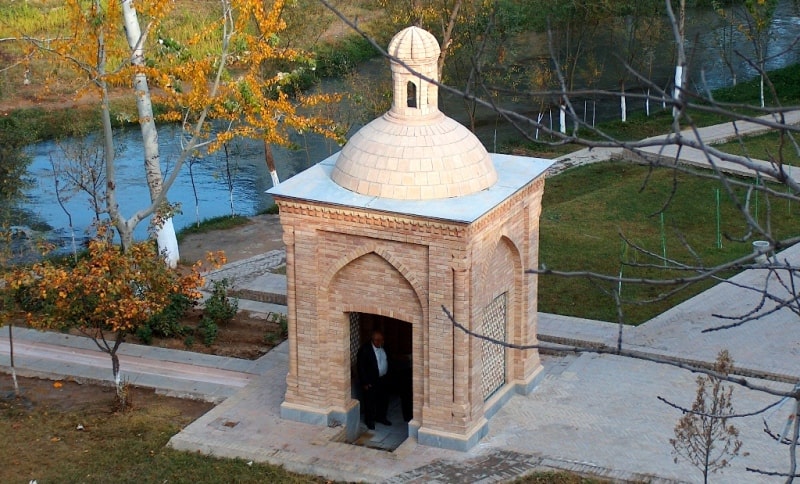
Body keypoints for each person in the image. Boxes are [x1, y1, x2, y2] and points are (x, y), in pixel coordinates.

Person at [357, 330, 391, 430]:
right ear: (372, 340)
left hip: (383, 379)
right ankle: (370, 421)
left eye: (381, 340)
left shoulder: (384, 347)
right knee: (370, 401)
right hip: (371, 381)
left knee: (383, 399)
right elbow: (361, 367)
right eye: (377, 340)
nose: (379, 342)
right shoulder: (365, 350)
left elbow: (388, 360)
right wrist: (365, 382)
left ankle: (381, 417)